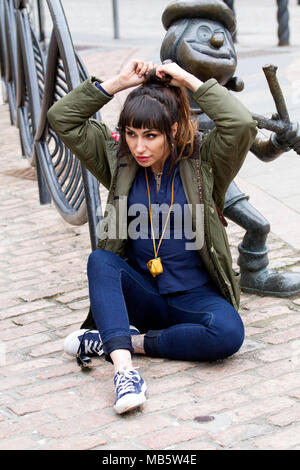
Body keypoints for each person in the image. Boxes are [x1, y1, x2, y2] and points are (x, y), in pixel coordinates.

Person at [47, 59, 257, 415]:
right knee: (101, 260)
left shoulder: (205, 161)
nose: (139, 147)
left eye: (151, 135)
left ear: (173, 131)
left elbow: (240, 124)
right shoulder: (119, 160)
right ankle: (125, 371)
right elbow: (62, 117)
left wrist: (188, 80)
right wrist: (118, 81)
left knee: (228, 334)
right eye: (131, 133)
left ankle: (120, 342)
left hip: (195, 296)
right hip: (143, 293)